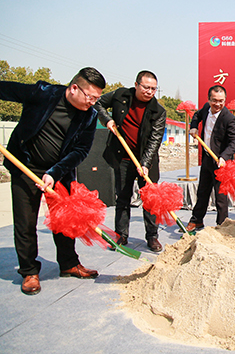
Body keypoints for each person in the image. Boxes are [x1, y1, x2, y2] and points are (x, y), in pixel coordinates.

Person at [0, 67, 106, 295]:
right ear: (74, 88)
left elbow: (80, 150)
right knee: (25, 222)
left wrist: (55, 172)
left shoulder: (89, 115)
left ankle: (69, 264)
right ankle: (29, 271)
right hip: (25, 167)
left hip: (59, 172)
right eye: (90, 97)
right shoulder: (43, 94)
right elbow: (6, 89)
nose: (92, 103)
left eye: (97, 99)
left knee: (66, 221)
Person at [95, 70, 166, 252]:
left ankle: (152, 237)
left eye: (153, 89)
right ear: (136, 85)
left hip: (146, 160)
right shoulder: (120, 96)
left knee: (150, 200)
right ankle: (121, 235)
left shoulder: (158, 111)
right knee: (123, 197)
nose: (149, 92)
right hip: (123, 157)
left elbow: (155, 139)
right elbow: (97, 102)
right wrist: (106, 119)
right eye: (146, 87)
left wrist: (145, 163)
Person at [186, 85, 235, 231]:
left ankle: (222, 225)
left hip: (221, 162)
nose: (217, 104)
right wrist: (194, 126)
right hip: (207, 158)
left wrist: (224, 157)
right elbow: (196, 116)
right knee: (202, 191)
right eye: (214, 100)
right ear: (209, 99)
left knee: (220, 196)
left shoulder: (229, 118)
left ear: (225, 100)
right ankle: (196, 220)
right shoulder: (205, 109)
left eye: (221, 101)